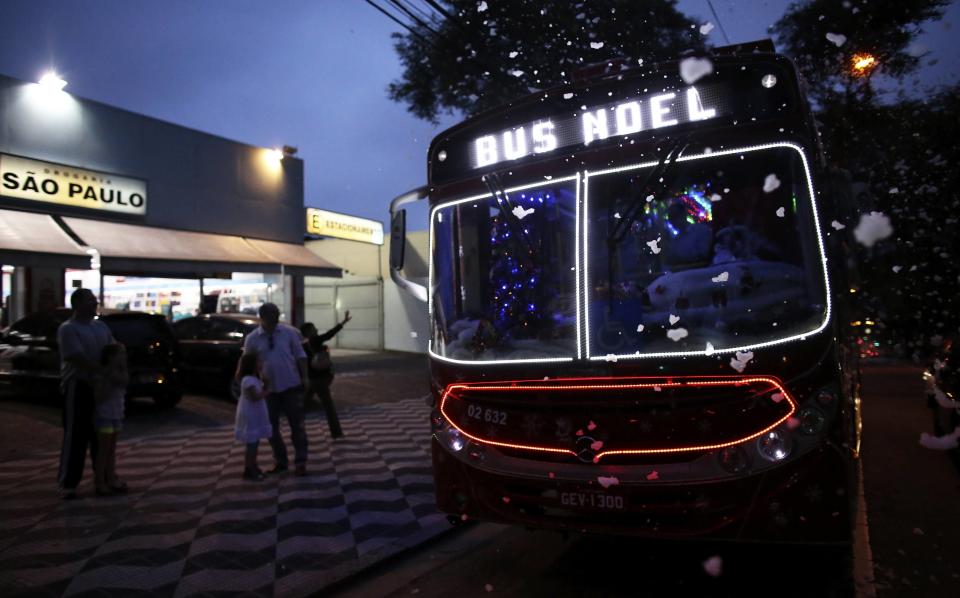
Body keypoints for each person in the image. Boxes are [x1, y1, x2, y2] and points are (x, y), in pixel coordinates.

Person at [57, 288, 114, 499]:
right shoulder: (68, 329)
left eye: (94, 300)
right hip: (78, 385)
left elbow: (112, 348)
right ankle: (68, 483)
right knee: (76, 434)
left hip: (100, 386)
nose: (94, 303)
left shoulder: (100, 327)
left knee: (100, 435)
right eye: (90, 301)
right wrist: (101, 371)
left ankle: (102, 478)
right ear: (77, 304)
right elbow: (76, 357)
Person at [242, 303, 310, 476]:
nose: (276, 317)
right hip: (268, 390)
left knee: (298, 427)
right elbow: (246, 361)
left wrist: (305, 377)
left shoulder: (289, 333)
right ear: (262, 316)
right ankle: (281, 461)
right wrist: (244, 380)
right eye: (272, 314)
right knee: (271, 429)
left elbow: (300, 355)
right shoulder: (253, 338)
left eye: (277, 314)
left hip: (291, 385)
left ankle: (301, 461)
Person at [301, 311, 352, 439]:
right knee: (329, 406)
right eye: (313, 329)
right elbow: (330, 334)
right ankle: (337, 433)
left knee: (303, 405)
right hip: (320, 379)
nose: (316, 330)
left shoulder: (303, 346)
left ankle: (298, 432)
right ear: (308, 332)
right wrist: (343, 322)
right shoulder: (316, 341)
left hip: (312, 379)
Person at [94, 343, 129, 496]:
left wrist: (118, 373)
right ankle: (100, 482)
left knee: (112, 449)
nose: (123, 357)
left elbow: (124, 382)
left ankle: (111, 478)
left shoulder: (121, 373)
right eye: (119, 354)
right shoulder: (102, 374)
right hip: (105, 415)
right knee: (103, 450)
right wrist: (108, 377)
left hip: (116, 415)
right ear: (110, 357)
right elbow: (100, 396)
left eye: (124, 354)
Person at [234, 352, 273, 481]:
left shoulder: (254, 378)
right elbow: (255, 397)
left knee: (255, 443)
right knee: (252, 443)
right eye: (258, 362)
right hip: (250, 413)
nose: (261, 364)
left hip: (255, 412)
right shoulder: (248, 380)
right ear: (252, 364)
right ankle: (249, 468)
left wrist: (265, 382)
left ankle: (253, 465)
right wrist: (267, 392)